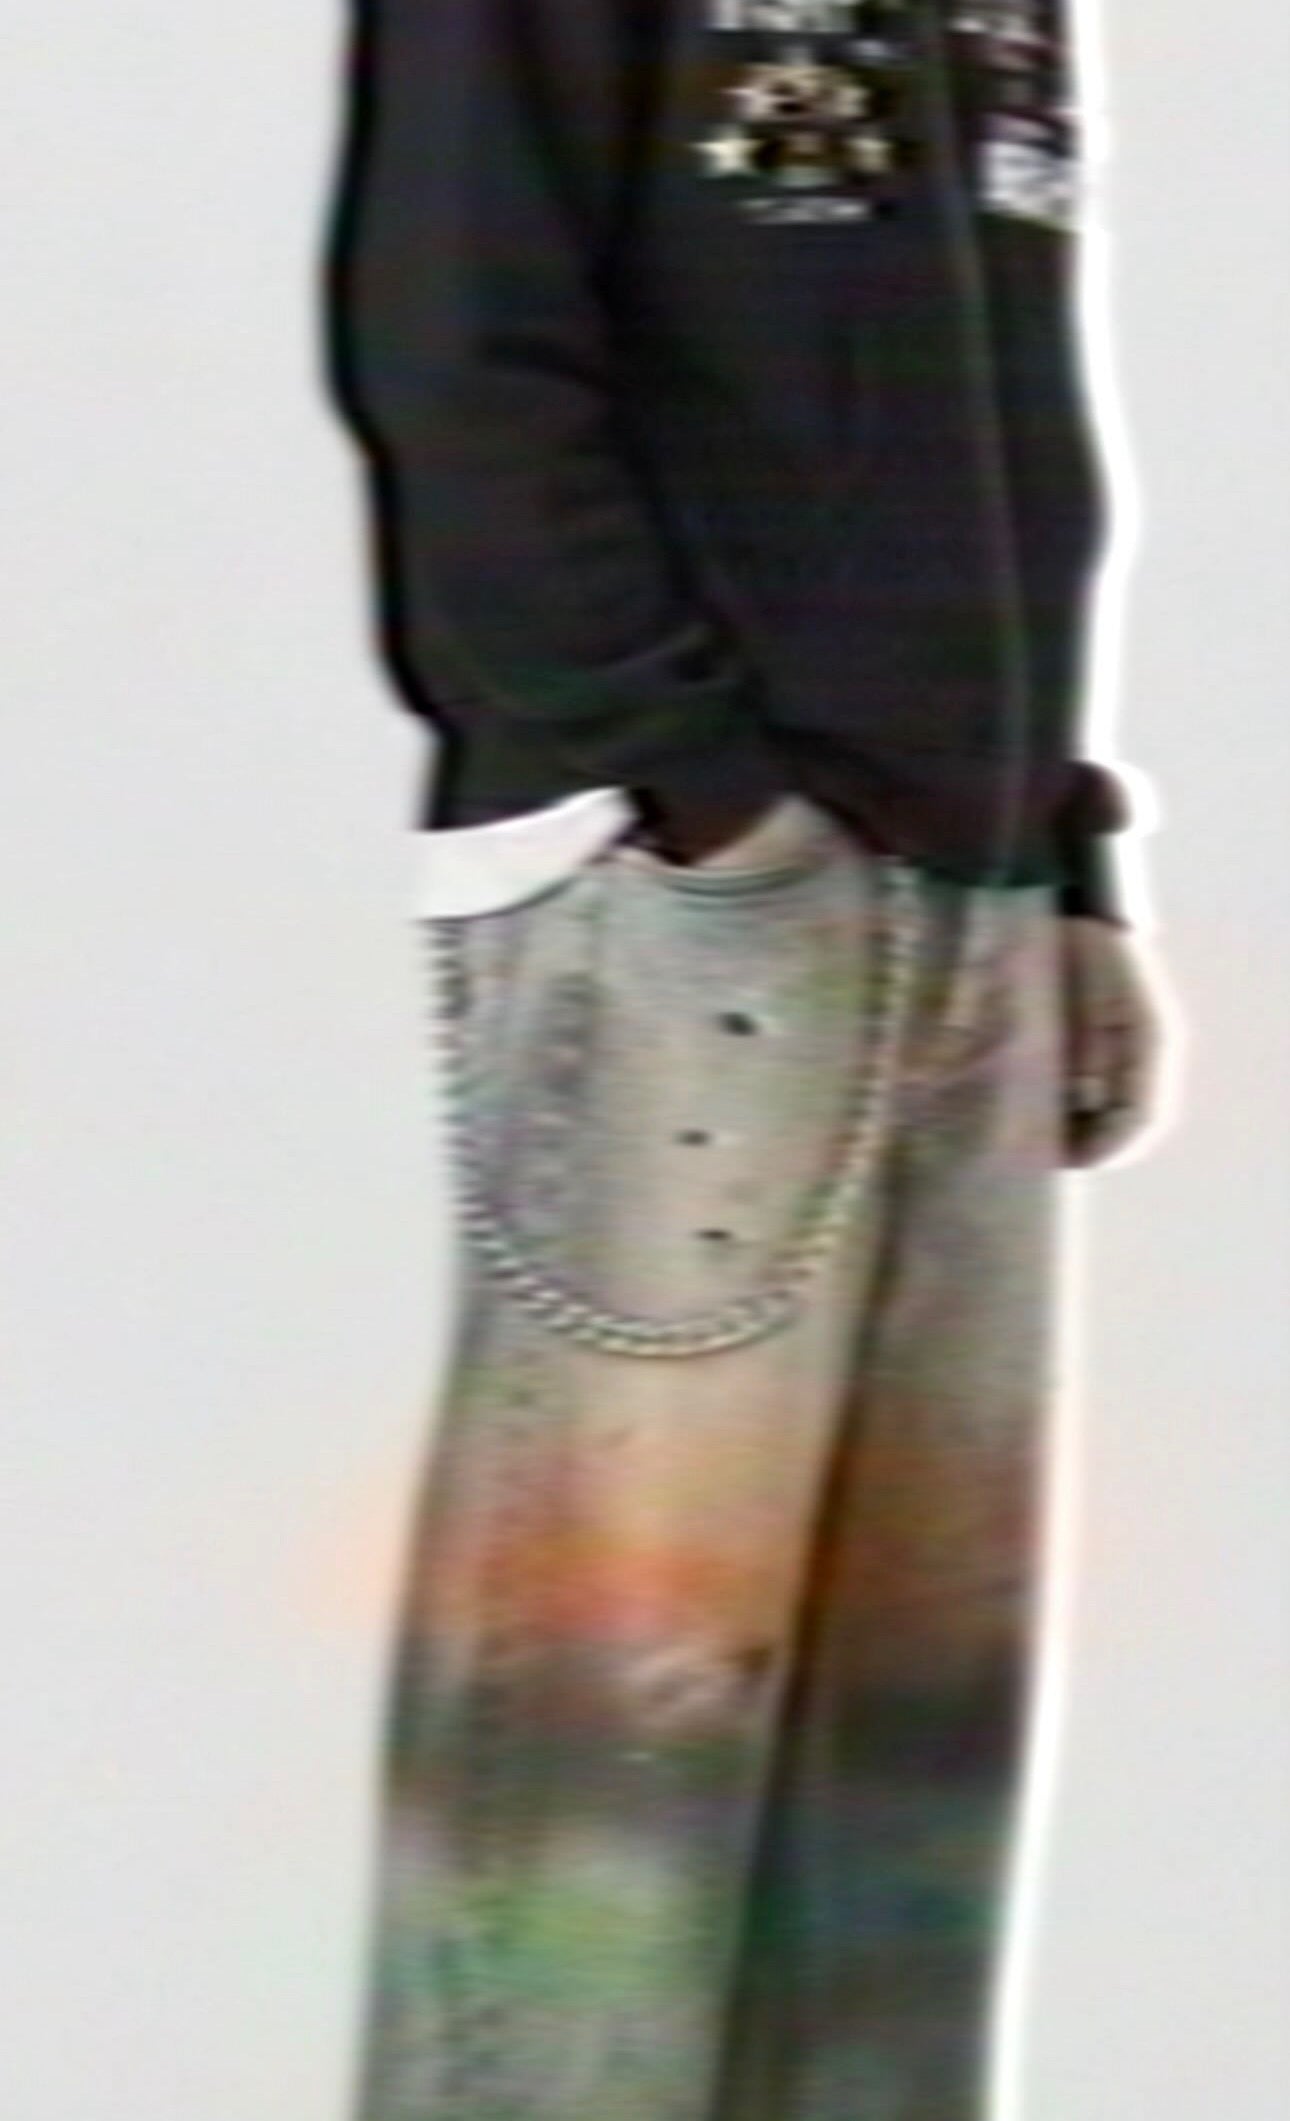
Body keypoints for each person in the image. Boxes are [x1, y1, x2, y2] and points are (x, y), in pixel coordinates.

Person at [325, 1, 1169, 2113]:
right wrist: (696, 792)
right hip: (692, 898)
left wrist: (1063, 856)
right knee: (608, 1745)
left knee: (901, 1765)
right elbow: (455, 341)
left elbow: (992, 427)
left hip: (972, 899)